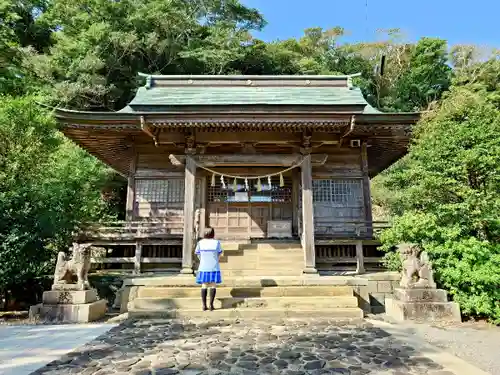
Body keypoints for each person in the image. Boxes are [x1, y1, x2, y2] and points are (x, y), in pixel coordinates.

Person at [195, 227, 223, 311]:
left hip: (203, 266)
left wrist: (202, 260)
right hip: (214, 266)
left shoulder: (200, 243)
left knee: (204, 285)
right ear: (213, 233)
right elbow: (219, 254)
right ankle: (211, 304)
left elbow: (197, 254)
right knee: (213, 285)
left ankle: (204, 305)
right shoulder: (216, 242)